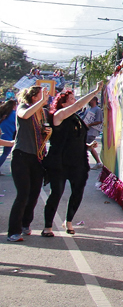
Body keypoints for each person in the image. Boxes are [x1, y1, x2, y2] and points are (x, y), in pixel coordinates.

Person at [41, 84, 103, 238]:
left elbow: (75, 139)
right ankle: (48, 226)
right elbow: (78, 105)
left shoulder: (76, 118)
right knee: (56, 193)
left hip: (78, 162)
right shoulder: (59, 115)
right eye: (72, 100)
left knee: (77, 192)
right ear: (63, 103)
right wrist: (95, 91)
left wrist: (88, 146)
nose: (75, 101)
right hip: (59, 162)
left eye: (75, 99)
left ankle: (69, 221)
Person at [6, 85, 53, 242]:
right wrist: (41, 102)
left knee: (34, 194)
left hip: (37, 157)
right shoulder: (23, 107)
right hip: (21, 156)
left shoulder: (42, 113)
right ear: (33, 97)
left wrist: (47, 133)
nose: (45, 97)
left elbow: (42, 132)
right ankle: (14, 231)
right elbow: (24, 116)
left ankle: (26, 223)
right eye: (41, 95)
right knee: (23, 194)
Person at [83, 96, 103, 169]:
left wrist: (89, 124)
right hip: (86, 131)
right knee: (89, 147)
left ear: (94, 100)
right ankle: (98, 162)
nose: (89, 101)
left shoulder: (98, 110)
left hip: (92, 132)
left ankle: (98, 162)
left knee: (87, 146)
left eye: (90, 100)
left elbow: (99, 121)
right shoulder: (88, 109)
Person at [0, 99, 16, 175]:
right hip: (9, 134)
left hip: (2, 133)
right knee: (6, 153)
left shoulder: (3, 113)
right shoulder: (14, 114)